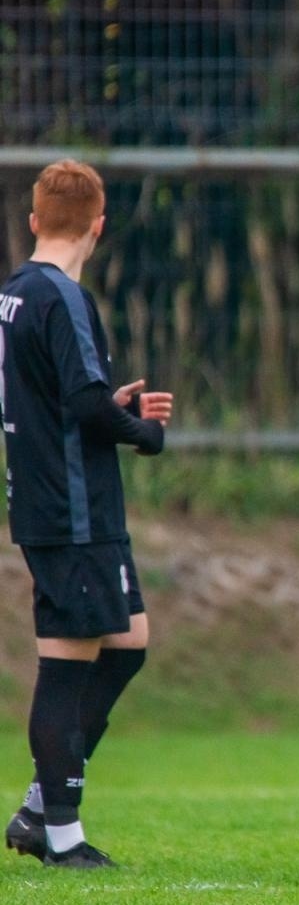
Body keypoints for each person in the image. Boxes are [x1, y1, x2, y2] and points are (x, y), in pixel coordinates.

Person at [2, 160, 172, 868]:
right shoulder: (61, 296)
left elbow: (60, 396)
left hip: (58, 499)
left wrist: (110, 407)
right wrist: (142, 432)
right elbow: (79, 405)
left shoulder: (13, 293)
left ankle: (43, 807)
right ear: (98, 226)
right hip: (70, 508)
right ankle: (59, 834)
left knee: (128, 642)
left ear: (36, 220)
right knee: (66, 664)